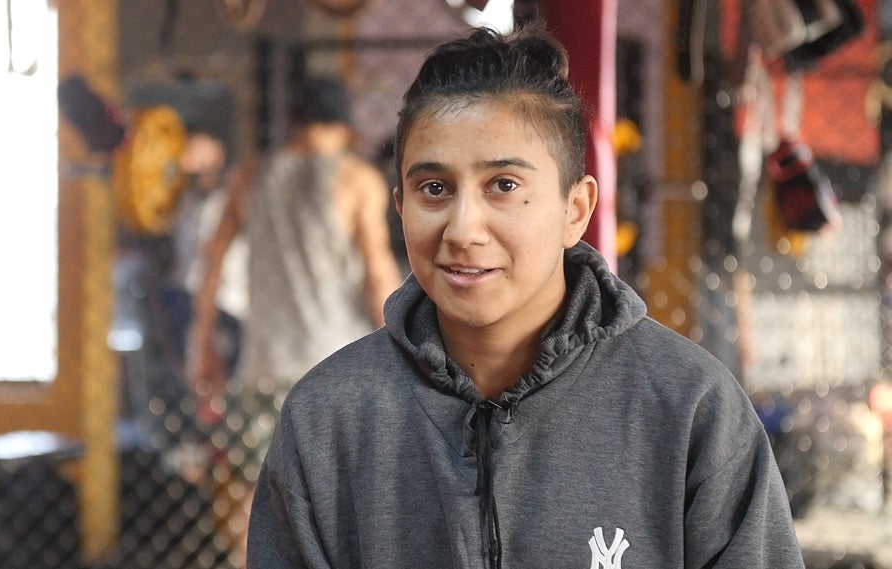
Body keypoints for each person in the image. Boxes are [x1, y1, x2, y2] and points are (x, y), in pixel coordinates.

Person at [246, 24, 806, 569]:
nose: (463, 229)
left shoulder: (688, 410)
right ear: (400, 205)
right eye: (434, 189)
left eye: (504, 186)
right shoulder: (327, 420)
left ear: (576, 210)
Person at [187, 75, 403, 565]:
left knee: (249, 497)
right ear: (346, 128)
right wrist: (406, 345)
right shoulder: (358, 180)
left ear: (292, 123)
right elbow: (376, 274)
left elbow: (211, 264)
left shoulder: (249, 176)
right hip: (339, 372)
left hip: (264, 368)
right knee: (350, 503)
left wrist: (202, 344)